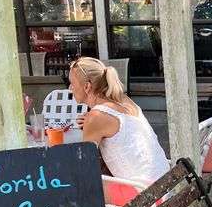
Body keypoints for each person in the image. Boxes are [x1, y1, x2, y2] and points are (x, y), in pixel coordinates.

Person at [68, 57, 170, 189]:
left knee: (75, 185)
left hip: (142, 194)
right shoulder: (123, 100)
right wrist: (90, 122)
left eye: (72, 83)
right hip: (164, 185)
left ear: (87, 86)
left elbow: (85, 167)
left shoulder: (96, 117)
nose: (70, 88)